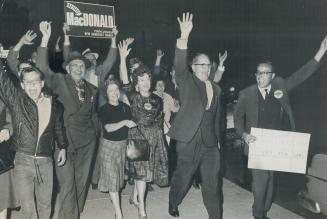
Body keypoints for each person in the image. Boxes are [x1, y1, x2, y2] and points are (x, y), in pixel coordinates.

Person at [233, 35, 327, 219]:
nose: (260, 76)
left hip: (276, 144)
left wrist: (321, 51)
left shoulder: (280, 85)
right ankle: (258, 213)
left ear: (272, 75)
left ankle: (264, 209)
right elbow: (237, 117)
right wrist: (243, 135)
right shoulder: (246, 94)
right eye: (258, 73)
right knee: (260, 182)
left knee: (270, 181)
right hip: (255, 144)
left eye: (265, 73)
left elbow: (301, 75)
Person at [36, 21, 99, 219]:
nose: (79, 68)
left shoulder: (93, 90)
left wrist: (96, 134)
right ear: (68, 67)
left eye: (82, 65)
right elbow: (42, 70)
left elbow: (94, 115)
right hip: (63, 142)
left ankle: (74, 212)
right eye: (75, 65)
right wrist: (45, 39)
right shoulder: (59, 81)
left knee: (81, 182)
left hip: (87, 142)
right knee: (68, 183)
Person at [168, 13, 224, 219]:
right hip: (188, 141)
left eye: (208, 65)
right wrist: (184, 36)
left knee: (212, 184)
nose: (205, 68)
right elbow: (179, 63)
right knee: (183, 177)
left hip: (210, 144)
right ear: (193, 67)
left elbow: (216, 117)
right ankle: (173, 201)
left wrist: (217, 141)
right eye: (201, 65)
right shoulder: (186, 81)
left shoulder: (216, 89)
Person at [0, 61, 67, 219]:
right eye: (28, 82)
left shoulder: (53, 104)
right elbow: (2, 81)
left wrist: (63, 146)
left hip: (45, 161)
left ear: (42, 83)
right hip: (22, 161)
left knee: (45, 206)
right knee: (28, 209)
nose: (32, 86)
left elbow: (58, 127)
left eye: (35, 82)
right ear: (22, 85)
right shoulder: (17, 101)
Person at [119, 40, 169, 219]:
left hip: (154, 138)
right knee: (141, 175)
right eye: (141, 80)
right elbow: (124, 80)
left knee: (148, 175)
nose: (146, 82)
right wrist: (122, 58)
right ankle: (142, 209)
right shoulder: (132, 96)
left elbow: (159, 121)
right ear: (136, 83)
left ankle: (134, 197)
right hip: (138, 139)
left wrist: (162, 139)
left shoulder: (157, 99)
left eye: (147, 79)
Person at [98, 79, 136, 219]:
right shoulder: (104, 109)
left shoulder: (125, 107)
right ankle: (118, 213)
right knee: (113, 179)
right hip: (109, 147)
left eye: (116, 90)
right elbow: (108, 128)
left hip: (123, 146)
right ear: (106, 94)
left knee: (119, 179)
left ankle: (116, 198)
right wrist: (125, 122)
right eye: (110, 90)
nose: (114, 93)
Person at [0, 97, 17, 219]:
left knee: (2, 199)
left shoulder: (4, 100)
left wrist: (8, 129)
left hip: (1, 157)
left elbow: (13, 121)